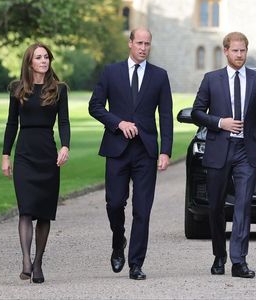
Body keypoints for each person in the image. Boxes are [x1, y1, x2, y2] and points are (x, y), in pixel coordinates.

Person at [88, 28, 173, 280]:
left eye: (147, 44)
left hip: (145, 151)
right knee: (114, 203)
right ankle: (118, 240)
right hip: (117, 149)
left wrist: (166, 151)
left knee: (142, 210)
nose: (143, 48)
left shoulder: (159, 76)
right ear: (130, 43)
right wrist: (118, 123)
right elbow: (95, 106)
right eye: (139, 43)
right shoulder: (111, 72)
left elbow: (166, 116)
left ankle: (136, 263)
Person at [191, 32, 256, 278]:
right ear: (225, 51)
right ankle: (219, 255)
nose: (239, 55)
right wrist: (219, 122)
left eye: (243, 51)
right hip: (218, 149)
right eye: (235, 51)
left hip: (245, 152)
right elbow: (197, 112)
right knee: (216, 207)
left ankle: (239, 261)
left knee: (243, 205)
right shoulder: (211, 79)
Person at [1, 43, 70, 284]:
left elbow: (64, 122)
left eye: (46, 57)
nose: (44, 61)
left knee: (44, 213)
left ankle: (38, 262)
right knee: (26, 209)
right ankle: (26, 261)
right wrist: (5, 155)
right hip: (24, 155)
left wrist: (65, 146)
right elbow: (11, 124)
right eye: (38, 57)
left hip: (47, 154)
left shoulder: (59, 89)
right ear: (29, 62)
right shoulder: (17, 89)